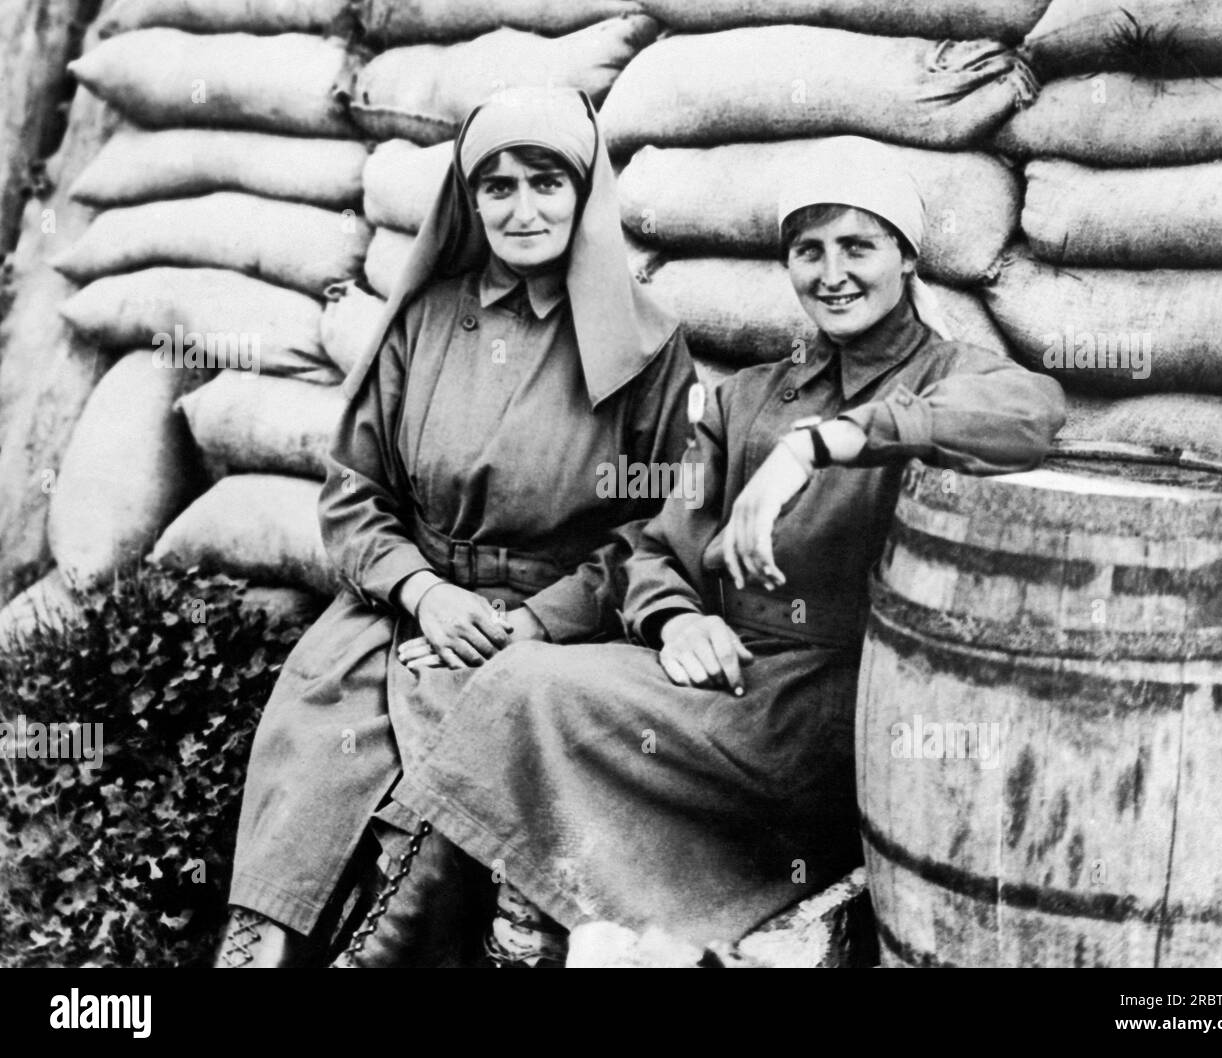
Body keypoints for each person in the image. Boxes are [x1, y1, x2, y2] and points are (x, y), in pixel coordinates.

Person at [330, 135, 1069, 961]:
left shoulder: (951, 377)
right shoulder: (749, 397)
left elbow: (1034, 414)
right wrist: (678, 620)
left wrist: (826, 444)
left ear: (906, 257)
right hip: (726, 676)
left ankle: (403, 939)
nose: (833, 274)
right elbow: (656, 549)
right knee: (520, 677)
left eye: (859, 246)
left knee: (530, 688)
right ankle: (423, 931)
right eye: (808, 250)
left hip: (839, 703)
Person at [216, 87, 696, 967]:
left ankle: (386, 949)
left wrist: (535, 622)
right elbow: (354, 493)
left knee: (446, 800)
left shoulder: (649, 348)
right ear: (468, 201)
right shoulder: (425, 320)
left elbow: (656, 532)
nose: (521, 209)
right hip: (406, 603)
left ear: (586, 192)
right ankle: (259, 950)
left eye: (547, 182)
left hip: (550, 629)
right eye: (496, 186)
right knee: (317, 749)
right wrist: (422, 590)